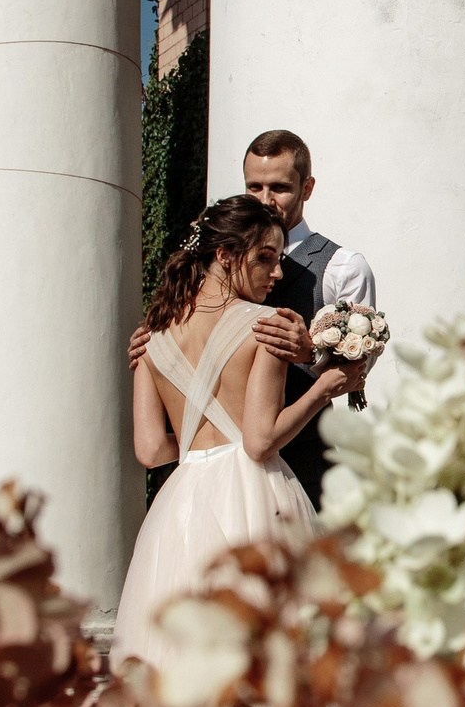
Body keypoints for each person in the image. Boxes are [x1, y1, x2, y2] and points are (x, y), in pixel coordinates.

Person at [114, 195, 362, 670]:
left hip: (182, 502)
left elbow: (150, 450)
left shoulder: (152, 336)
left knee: (184, 655)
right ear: (225, 255)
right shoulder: (266, 325)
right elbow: (259, 441)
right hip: (252, 495)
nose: (278, 273)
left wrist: (198, 445)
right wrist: (323, 389)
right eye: (265, 257)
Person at [131, 129, 377, 508]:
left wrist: (311, 352)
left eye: (279, 188)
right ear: (224, 255)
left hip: (301, 466)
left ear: (307, 188)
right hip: (243, 471)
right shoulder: (205, 280)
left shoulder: (343, 267)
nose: (265, 199)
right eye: (254, 187)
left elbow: (356, 368)